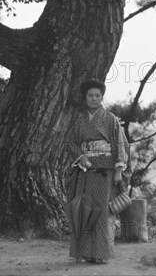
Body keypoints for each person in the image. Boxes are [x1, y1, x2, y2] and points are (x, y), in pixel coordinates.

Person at [65, 79, 131, 264]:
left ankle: (101, 254)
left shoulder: (110, 119)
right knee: (84, 210)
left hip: (105, 171)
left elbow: (119, 144)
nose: (94, 99)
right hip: (85, 171)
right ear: (85, 98)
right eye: (90, 96)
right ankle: (85, 252)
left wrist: (119, 169)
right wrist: (81, 156)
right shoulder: (79, 120)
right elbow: (70, 142)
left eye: (97, 96)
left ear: (102, 97)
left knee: (101, 212)